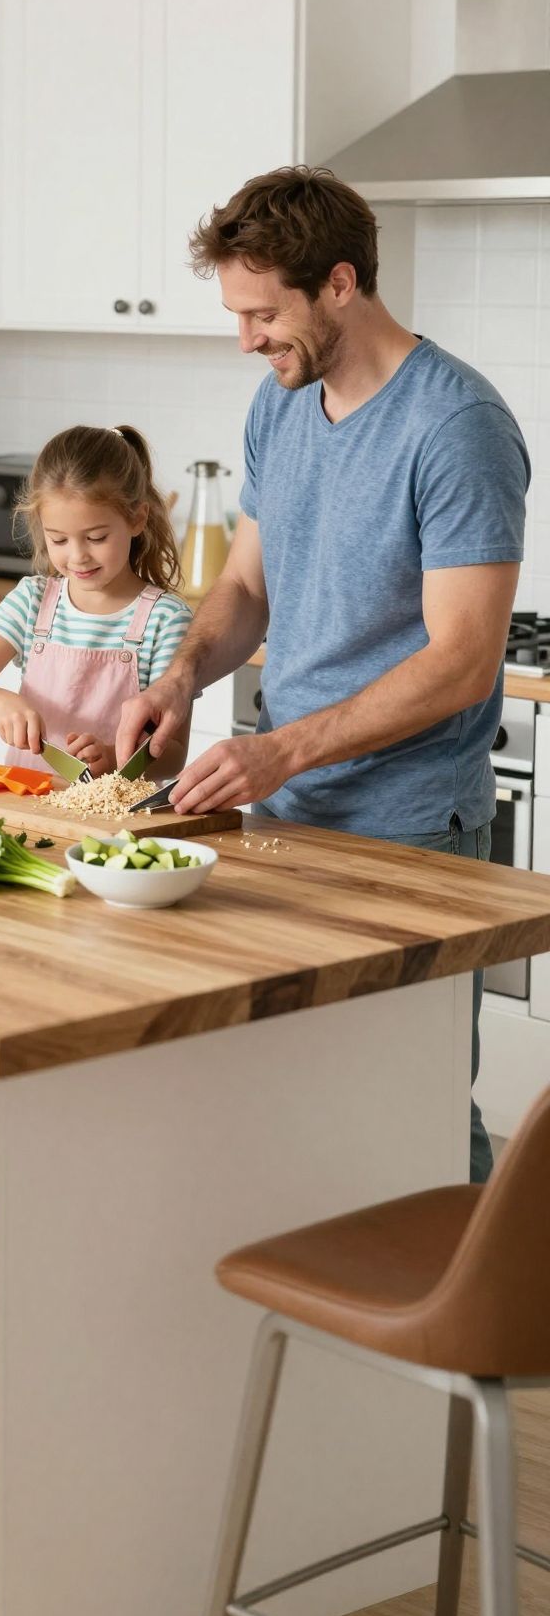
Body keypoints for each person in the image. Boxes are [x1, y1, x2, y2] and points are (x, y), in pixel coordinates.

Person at [114, 167, 530, 1183]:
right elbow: (246, 585)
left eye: (264, 313)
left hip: (410, 828)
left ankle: (461, 1334)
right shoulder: (281, 405)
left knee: (412, 1091)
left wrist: (281, 746)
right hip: (285, 815)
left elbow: (465, 660)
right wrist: (180, 679)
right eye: (238, 314)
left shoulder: (456, 426)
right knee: (298, 1083)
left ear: (340, 283)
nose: (247, 338)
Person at [0, 424, 193, 775]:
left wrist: (115, 759)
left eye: (96, 537)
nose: (77, 557)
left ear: (137, 519)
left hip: (115, 822)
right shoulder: (33, 600)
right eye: (59, 540)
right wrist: (3, 704)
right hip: (26, 805)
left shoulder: (165, 620)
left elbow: (175, 752)